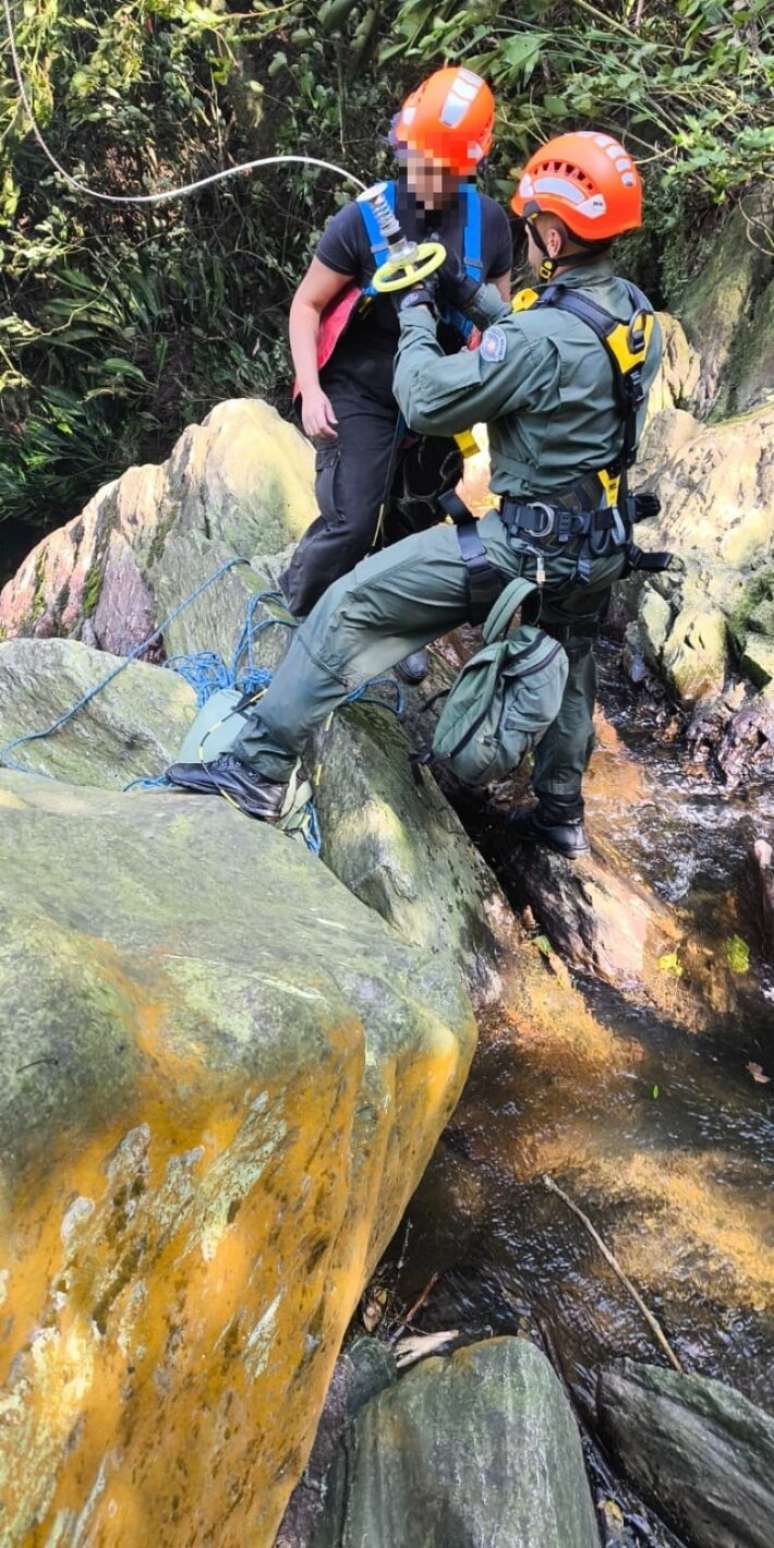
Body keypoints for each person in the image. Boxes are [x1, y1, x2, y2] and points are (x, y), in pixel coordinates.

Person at [167, 131, 666, 858]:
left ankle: (259, 766)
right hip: (599, 546)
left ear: (554, 236)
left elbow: (427, 400)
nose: (525, 236)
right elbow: (548, 340)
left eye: (532, 227)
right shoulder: (633, 313)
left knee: (351, 604)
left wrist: (411, 312)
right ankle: (560, 813)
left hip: (520, 548)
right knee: (574, 655)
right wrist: (465, 293)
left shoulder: (539, 338)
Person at [281, 65, 513, 681]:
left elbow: (501, 321)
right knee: (353, 518)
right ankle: (300, 603)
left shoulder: (488, 224)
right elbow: (306, 306)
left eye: (445, 169)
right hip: (361, 387)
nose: (429, 180)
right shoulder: (363, 221)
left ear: (469, 166)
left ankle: (386, 621)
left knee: (419, 512)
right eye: (421, 163)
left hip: (438, 393)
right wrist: (308, 388)